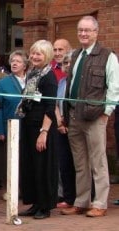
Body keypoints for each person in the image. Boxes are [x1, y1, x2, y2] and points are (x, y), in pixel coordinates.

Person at [61, 15, 119, 217]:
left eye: (87, 30)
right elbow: (70, 85)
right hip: (74, 116)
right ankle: (82, 201)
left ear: (96, 32)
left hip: (95, 117)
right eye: (80, 30)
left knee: (99, 161)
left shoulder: (107, 55)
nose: (83, 34)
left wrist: (106, 112)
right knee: (80, 163)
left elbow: (115, 87)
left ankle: (100, 203)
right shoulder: (76, 54)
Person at [17, 40, 58, 219]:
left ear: (47, 56)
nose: (34, 57)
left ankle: (45, 206)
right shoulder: (32, 73)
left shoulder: (49, 77)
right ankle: (34, 202)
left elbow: (50, 106)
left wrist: (44, 132)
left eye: (39, 54)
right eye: (33, 53)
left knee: (43, 167)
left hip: (42, 127)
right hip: (28, 124)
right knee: (30, 166)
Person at [0, 49, 28, 199]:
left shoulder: (31, 80)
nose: (14, 63)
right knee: (8, 160)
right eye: (12, 61)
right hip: (9, 125)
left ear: (25, 65)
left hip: (27, 126)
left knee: (25, 160)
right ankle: (9, 189)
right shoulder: (3, 82)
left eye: (18, 61)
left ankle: (25, 189)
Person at [55, 51, 76, 208]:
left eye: (69, 62)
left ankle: (84, 197)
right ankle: (68, 197)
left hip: (76, 126)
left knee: (80, 164)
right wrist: (60, 123)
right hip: (61, 126)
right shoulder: (61, 82)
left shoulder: (79, 82)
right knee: (64, 163)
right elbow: (56, 103)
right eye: (64, 63)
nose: (66, 66)